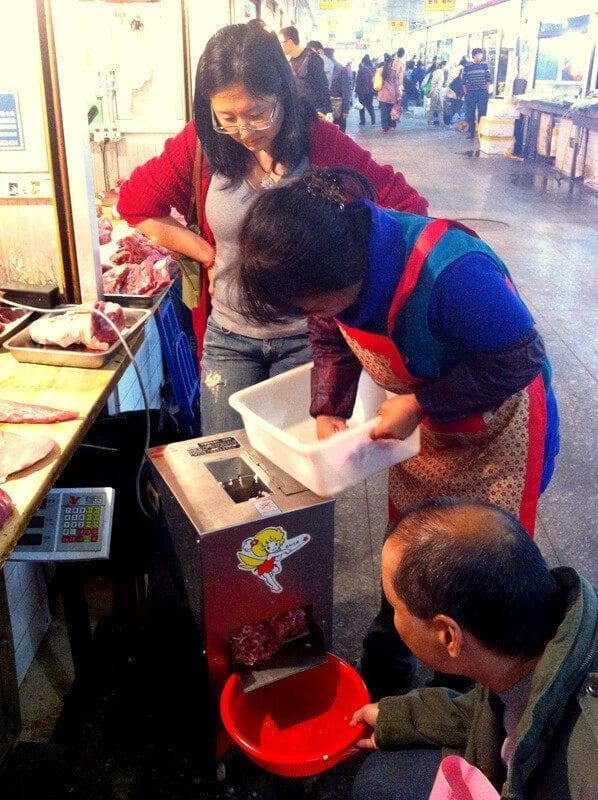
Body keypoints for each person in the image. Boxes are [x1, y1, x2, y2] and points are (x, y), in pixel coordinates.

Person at [236, 167, 560, 696]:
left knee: (469, 570)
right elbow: (331, 337)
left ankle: (459, 693)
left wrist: (421, 402)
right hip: (426, 434)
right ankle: (390, 657)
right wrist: (328, 407)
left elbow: (520, 357)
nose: (312, 316)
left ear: (344, 272)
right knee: (410, 550)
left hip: (496, 434)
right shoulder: (331, 282)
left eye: (311, 305)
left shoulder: (453, 272)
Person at [117, 26, 428, 436]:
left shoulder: (320, 142)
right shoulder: (200, 145)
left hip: (311, 343)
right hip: (228, 338)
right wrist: (206, 253)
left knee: (303, 483)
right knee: (228, 474)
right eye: (227, 118)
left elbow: (407, 207)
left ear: (283, 92)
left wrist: (349, 277)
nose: (245, 131)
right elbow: (136, 204)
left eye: (257, 113)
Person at [350, 498, 597, 800]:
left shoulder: (585, 767)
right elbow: (484, 712)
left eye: (395, 606)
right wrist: (397, 717)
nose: (392, 616)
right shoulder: (520, 648)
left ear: (448, 636)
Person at [278, 26, 331, 115]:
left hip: (316, 111)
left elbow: (323, 85)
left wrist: (328, 111)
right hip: (299, 112)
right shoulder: (290, 62)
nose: (280, 46)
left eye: (281, 43)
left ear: (290, 42)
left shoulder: (312, 58)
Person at [462, 48, 492, 139]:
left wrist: (486, 90)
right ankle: (471, 132)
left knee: (482, 112)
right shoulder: (467, 66)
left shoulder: (485, 65)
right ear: (474, 56)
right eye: (479, 54)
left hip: (482, 93)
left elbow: (488, 79)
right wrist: (466, 92)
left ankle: (481, 132)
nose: (481, 56)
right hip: (471, 93)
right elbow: (463, 81)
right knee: (470, 113)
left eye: (481, 54)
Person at [324, 46, 352, 133]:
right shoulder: (323, 68)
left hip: (337, 107)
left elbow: (346, 91)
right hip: (330, 106)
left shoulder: (340, 69)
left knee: (338, 132)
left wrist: (345, 109)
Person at [377, 53, 402, 133]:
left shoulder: (380, 70)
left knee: (384, 112)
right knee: (391, 111)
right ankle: (392, 126)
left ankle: (384, 128)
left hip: (382, 95)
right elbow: (396, 85)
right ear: (391, 61)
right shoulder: (393, 72)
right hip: (392, 95)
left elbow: (375, 82)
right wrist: (398, 96)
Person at [355, 55, 376, 126]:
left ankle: (362, 121)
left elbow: (358, 81)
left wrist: (356, 91)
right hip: (370, 91)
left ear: (363, 62)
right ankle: (373, 118)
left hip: (362, 91)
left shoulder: (361, 70)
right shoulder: (373, 69)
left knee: (361, 106)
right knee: (370, 105)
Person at [427, 59, 446, 126]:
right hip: (436, 91)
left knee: (437, 107)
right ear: (443, 65)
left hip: (438, 91)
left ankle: (438, 122)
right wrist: (432, 91)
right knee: (436, 107)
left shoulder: (439, 72)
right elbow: (433, 82)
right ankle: (432, 121)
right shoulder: (439, 72)